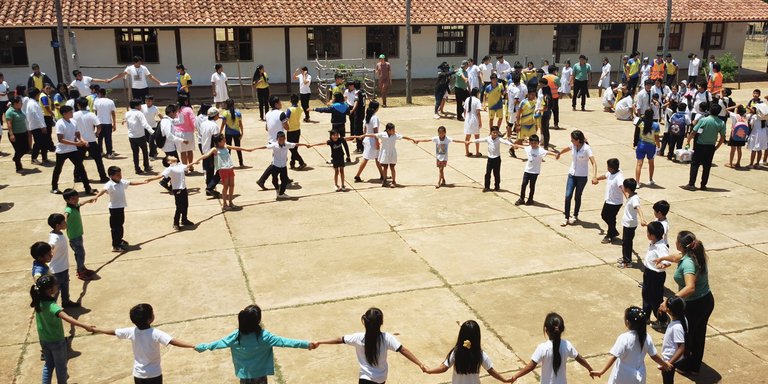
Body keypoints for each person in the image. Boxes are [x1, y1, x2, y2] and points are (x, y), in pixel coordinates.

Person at [196, 304, 315, 383]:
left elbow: (218, 344)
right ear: (258, 320)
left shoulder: (236, 336)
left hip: (244, 375)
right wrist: (307, 344)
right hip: (260, 376)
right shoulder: (264, 337)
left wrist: (202, 347)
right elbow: (286, 342)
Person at [656, 231, 714, 376]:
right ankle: (694, 365)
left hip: (694, 305)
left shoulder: (688, 262)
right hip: (706, 300)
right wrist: (664, 258)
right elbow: (677, 257)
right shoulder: (693, 254)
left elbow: (690, 287)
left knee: (687, 335)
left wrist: (669, 301)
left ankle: (687, 364)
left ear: (680, 245)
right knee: (698, 334)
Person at [315, 307, 424, 384]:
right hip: (381, 378)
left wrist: (319, 341)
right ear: (381, 322)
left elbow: (339, 340)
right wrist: (420, 364)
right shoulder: (387, 338)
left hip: (365, 378)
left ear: (364, 322)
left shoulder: (358, 337)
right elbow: (403, 350)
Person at [92, 303, 195, 384]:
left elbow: (113, 331)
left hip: (138, 375)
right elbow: (172, 341)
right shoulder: (156, 333)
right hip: (154, 374)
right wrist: (192, 345)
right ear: (150, 319)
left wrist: (96, 329)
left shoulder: (131, 331)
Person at [29, 275, 95, 384]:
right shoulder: (52, 306)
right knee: (61, 368)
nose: (58, 287)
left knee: (48, 365)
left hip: (44, 340)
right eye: (56, 285)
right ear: (50, 290)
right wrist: (85, 326)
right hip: (56, 341)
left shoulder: (38, 302)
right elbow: (68, 318)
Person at [590, 307, 673, 382]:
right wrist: (665, 364)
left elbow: (614, 357)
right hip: (639, 374)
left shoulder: (624, 338)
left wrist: (602, 371)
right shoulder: (647, 337)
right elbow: (654, 356)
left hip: (623, 375)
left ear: (627, 322)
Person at [509, 313, 595, 383]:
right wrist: (590, 369)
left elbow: (531, 366)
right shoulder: (567, 345)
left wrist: (515, 376)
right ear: (562, 329)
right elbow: (579, 358)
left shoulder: (543, 348)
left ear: (546, 330)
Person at [423, 320, 510, 383]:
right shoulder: (480, 354)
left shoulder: (456, 352)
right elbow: (491, 371)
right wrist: (504, 380)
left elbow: (443, 368)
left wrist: (429, 371)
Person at [93, 166, 154, 252]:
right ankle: (115, 245)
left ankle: (119, 240)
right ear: (111, 176)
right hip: (114, 209)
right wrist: (96, 196)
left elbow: (131, 183)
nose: (120, 176)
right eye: (118, 175)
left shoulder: (121, 182)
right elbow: (103, 190)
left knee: (120, 225)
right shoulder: (109, 184)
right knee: (115, 228)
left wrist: (143, 182)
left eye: (120, 174)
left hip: (121, 207)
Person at [196, 132, 255, 210]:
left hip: (230, 168)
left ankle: (230, 202)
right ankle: (224, 204)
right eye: (223, 140)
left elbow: (236, 148)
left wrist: (247, 150)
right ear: (218, 142)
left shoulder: (226, 146)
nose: (225, 141)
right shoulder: (215, 149)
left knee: (232, 185)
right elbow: (206, 155)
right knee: (226, 186)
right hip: (223, 170)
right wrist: (198, 160)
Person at [51, 106, 95, 195]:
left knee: (81, 169)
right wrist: (76, 144)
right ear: (64, 114)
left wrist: (83, 140)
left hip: (73, 150)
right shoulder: (60, 123)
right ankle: (54, 187)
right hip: (62, 151)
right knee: (58, 169)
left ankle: (87, 188)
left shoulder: (73, 122)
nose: (72, 113)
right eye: (70, 112)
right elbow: (61, 139)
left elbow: (78, 134)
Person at [681, 103, 726, 191]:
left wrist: (688, 141)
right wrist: (716, 147)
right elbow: (722, 137)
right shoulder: (721, 123)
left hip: (700, 146)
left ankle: (691, 184)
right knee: (707, 167)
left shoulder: (704, 120)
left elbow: (693, 132)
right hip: (710, 147)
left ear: (710, 110)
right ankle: (703, 185)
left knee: (695, 165)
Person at [556, 130, 596, 226]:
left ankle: (575, 215)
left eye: (573, 140)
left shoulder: (587, 149)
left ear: (578, 140)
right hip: (572, 174)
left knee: (577, 196)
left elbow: (594, 162)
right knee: (567, 196)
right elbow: (567, 148)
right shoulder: (573, 145)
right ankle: (566, 217)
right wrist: (559, 153)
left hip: (582, 177)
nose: (571, 141)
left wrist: (594, 176)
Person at [254, 131, 309, 199]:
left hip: (283, 166)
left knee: (284, 181)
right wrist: (253, 149)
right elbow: (265, 147)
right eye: (280, 139)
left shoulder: (287, 144)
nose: (281, 141)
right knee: (274, 180)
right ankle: (277, 191)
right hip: (275, 166)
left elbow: (295, 144)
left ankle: (281, 193)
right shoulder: (274, 145)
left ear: (285, 138)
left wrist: (305, 145)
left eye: (283, 139)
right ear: (277, 139)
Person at [147, 155, 197, 228]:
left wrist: (195, 162)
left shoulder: (180, 165)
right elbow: (161, 176)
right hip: (177, 189)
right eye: (171, 156)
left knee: (185, 205)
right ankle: (176, 223)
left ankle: (184, 219)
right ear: (169, 162)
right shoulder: (170, 169)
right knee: (179, 207)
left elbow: (187, 165)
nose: (173, 156)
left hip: (183, 188)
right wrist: (150, 179)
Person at [62, 188, 97, 281]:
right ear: (67, 200)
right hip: (74, 237)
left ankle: (81, 268)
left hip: (78, 235)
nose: (76, 199)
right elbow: (65, 215)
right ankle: (80, 272)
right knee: (81, 253)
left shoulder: (74, 205)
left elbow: (80, 204)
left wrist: (88, 201)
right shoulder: (69, 209)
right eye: (73, 198)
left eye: (77, 197)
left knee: (79, 253)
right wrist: (63, 223)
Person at [642, 221, 672, 329]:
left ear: (652, 235)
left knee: (655, 299)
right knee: (646, 295)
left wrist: (663, 265)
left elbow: (668, 261)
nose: (647, 234)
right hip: (648, 272)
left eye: (648, 232)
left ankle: (662, 320)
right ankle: (645, 316)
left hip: (656, 276)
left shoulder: (661, 246)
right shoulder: (654, 242)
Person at [47, 213, 80, 308]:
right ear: (58, 226)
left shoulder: (59, 233)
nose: (66, 223)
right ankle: (51, 308)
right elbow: (51, 245)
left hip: (63, 267)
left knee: (65, 286)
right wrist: (50, 250)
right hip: (57, 270)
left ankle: (66, 302)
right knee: (55, 290)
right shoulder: (55, 237)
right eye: (64, 222)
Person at [72, 97, 109, 182]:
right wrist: (97, 133)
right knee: (98, 160)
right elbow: (99, 126)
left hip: (80, 141)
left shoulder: (74, 115)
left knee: (78, 161)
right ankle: (103, 177)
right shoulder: (91, 114)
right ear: (87, 105)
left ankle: (77, 176)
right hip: (91, 140)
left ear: (78, 105)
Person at [512, 134, 552, 206]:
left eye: (535, 143)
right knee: (524, 185)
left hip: (535, 172)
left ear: (538, 143)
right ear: (529, 143)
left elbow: (548, 152)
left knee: (532, 186)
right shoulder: (528, 148)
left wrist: (557, 155)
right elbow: (522, 147)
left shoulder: (540, 150)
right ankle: (521, 198)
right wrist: (515, 145)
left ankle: (530, 199)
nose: (533, 145)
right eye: (532, 143)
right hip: (527, 170)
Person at [592, 158, 624, 244]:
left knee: (611, 218)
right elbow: (605, 176)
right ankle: (613, 231)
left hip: (616, 202)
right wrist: (596, 178)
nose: (607, 168)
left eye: (608, 167)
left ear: (612, 168)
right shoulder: (611, 173)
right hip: (609, 200)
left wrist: (628, 197)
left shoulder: (619, 177)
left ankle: (610, 235)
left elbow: (622, 187)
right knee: (604, 215)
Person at [473, 127, 514, 192]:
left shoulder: (499, 139)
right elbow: (479, 140)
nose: (495, 134)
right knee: (487, 173)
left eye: (496, 133)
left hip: (497, 159)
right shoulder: (488, 138)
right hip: (490, 159)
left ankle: (497, 187)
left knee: (496, 174)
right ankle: (487, 187)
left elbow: (505, 142)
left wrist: (512, 145)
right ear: (491, 133)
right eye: (494, 133)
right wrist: (470, 141)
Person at [658, 297, 687, 384]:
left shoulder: (677, 327)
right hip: (672, 359)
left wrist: (668, 364)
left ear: (669, 310)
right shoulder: (682, 318)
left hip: (670, 359)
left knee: (667, 381)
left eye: (665, 304)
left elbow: (681, 347)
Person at [618, 178, 645, 268]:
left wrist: (642, 219)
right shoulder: (631, 195)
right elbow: (626, 195)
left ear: (628, 188)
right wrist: (622, 190)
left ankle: (627, 262)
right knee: (625, 242)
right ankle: (626, 258)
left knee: (627, 242)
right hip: (627, 223)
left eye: (624, 187)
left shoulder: (634, 199)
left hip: (630, 224)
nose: (624, 188)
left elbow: (638, 208)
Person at [354, 100, 384, 182]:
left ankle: (382, 175)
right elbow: (375, 131)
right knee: (369, 158)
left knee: (375, 158)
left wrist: (365, 137)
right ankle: (357, 175)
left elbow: (364, 130)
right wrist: (377, 141)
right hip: (372, 140)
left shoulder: (367, 116)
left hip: (367, 139)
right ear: (376, 108)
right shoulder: (374, 118)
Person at [124, 99, 155, 175]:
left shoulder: (127, 113)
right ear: (136, 106)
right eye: (140, 105)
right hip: (140, 136)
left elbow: (128, 125)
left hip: (131, 136)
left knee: (135, 153)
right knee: (144, 151)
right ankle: (146, 166)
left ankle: (137, 168)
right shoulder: (139, 113)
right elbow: (145, 124)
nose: (141, 106)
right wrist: (152, 132)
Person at [633, 109, 660, 186]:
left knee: (639, 164)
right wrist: (658, 146)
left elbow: (635, 123)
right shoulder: (656, 125)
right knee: (651, 163)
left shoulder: (641, 123)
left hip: (641, 145)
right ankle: (650, 179)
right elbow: (657, 137)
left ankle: (637, 182)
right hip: (651, 146)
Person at [5, 96, 30, 173]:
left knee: (27, 148)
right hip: (15, 134)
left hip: (23, 133)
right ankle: (18, 167)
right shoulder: (10, 112)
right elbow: (9, 124)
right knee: (18, 150)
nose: (22, 104)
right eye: (20, 103)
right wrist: (11, 134)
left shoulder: (19, 110)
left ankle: (16, 158)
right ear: (15, 103)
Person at [26, 87, 52, 164]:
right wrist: (42, 126)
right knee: (38, 143)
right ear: (36, 94)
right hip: (37, 126)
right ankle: (34, 158)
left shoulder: (33, 102)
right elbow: (36, 116)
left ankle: (44, 158)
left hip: (39, 125)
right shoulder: (32, 103)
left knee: (44, 142)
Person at [174, 94, 198, 169]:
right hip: (188, 133)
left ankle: (185, 168)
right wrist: (197, 128)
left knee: (182, 151)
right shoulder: (188, 109)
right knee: (189, 150)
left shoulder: (176, 109)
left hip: (178, 133)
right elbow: (193, 120)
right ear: (186, 101)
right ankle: (190, 166)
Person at [93, 88, 118, 159]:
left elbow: (96, 113)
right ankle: (109, 153)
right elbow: (113, 113)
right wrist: (114, 123)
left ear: (99, 94)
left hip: (99, 123)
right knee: (108, 139)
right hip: (108, 123)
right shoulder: (110, 101)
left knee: (100, 138)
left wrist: (95, 124)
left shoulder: (96, 101)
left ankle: (100, 152)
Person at [221, 98, 246, 168]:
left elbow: (223, 124)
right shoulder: (238, 112)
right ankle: (241, 163)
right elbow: (240, 124)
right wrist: (242, 132)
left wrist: (220, 132)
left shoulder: (225, 113)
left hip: (228, 133)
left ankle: (227, 163)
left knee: (228, 149)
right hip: (236, 132)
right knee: (238, 148)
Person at [463, 87, 482, 156]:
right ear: (477, 93)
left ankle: (467, 152)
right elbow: (478, 113)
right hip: (475, 119)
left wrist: (465, 118)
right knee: (476, 137)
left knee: (467, 136)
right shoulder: (477, 100)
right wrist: (480, 122)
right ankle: (477, 152)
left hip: (468, 119)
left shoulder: (467, 99)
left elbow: (464, 110)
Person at [141, 96, 160, 160]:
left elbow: (159, 115)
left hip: (153, 127)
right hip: (145, 127)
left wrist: (165, 120)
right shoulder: (142, 107)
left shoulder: (155, 108)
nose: (147, 102)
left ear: (152, 101)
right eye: (146, 101)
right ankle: (154, 149)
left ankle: (151, 155)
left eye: (149, 101)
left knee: (151, 141)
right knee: (147, 140)